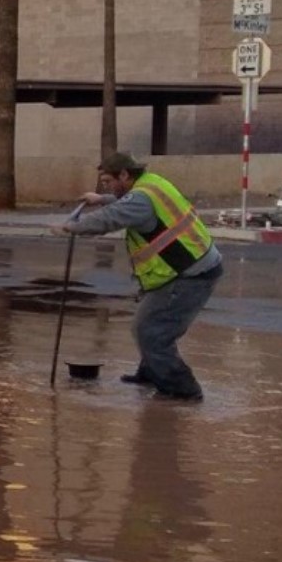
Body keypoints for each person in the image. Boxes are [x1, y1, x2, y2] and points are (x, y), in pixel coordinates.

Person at [54, 152, 222, 401]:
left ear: (124, 175)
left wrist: (72, 226)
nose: (106, 186)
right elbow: (126, 202)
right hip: (190, 266)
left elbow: (112, 217)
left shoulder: (140, 199)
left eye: (108, 181)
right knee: (147, 324)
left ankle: (183, 390)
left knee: (152, 332)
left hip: (188, 275)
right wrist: (101, 199)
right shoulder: (151, 183)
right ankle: (152, 372)